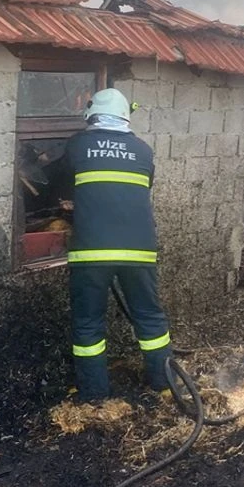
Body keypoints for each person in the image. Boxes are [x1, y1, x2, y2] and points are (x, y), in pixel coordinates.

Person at [64, 88, 172, 402]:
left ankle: (95, 396)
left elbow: (60, 181)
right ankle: (162, 384)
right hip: (139, 251)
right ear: (126, 116)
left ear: (92, 115)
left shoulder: (78, 145)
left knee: (88, 323)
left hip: (91, 252)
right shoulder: (143, 150)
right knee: (150, 317)